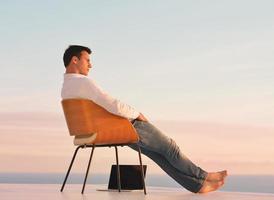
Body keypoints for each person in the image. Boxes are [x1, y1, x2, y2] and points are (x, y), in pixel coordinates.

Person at [61, 45, 227, 193]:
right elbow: (114, 105)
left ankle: (196, 186)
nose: (90, 65)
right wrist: (137, 114)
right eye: (87, 60)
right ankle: (203, 175)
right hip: (124, 127)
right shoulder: (84, 83)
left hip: (106, 130)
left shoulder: (66, 88)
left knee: (158, 155)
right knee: (170, 147)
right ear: (75, 60)